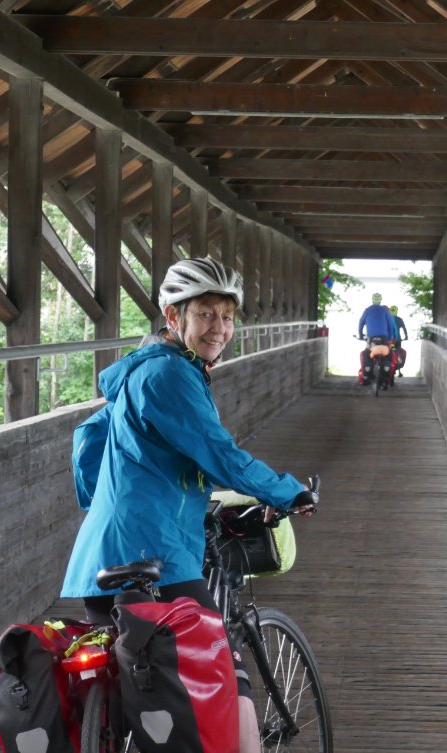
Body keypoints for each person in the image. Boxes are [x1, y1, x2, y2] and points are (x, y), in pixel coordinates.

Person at [61, 257, 313, 753]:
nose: (219, 328)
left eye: (227, 315)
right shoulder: (171, 375)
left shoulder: (137, 371)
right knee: (228, 679)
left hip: (101, 560)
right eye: (205, 314)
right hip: (161, 559)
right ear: (173, 317)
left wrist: (109, 505)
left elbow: (88, 443)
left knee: (135, 685)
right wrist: (290, 492)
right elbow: (221, 454)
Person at [356, 292, 396, 385]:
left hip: (371, 337)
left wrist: (361, 335)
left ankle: (367, 372)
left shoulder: (367, 310)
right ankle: (386, 373)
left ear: (372, 300)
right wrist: (390, 337)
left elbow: (361, 323)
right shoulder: (385, 311)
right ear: (380, 300)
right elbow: (390, 325)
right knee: (388, 353)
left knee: (367, 352)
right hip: (384, 337)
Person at [389, 305, 409, 377]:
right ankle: (399, 371)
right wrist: (406, 336)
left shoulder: (388, 319)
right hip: (398, 340)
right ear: (396, 311)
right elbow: (404, 328)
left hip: (390, 340)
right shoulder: (400, 319)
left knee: (391, 351)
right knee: (398, 352)